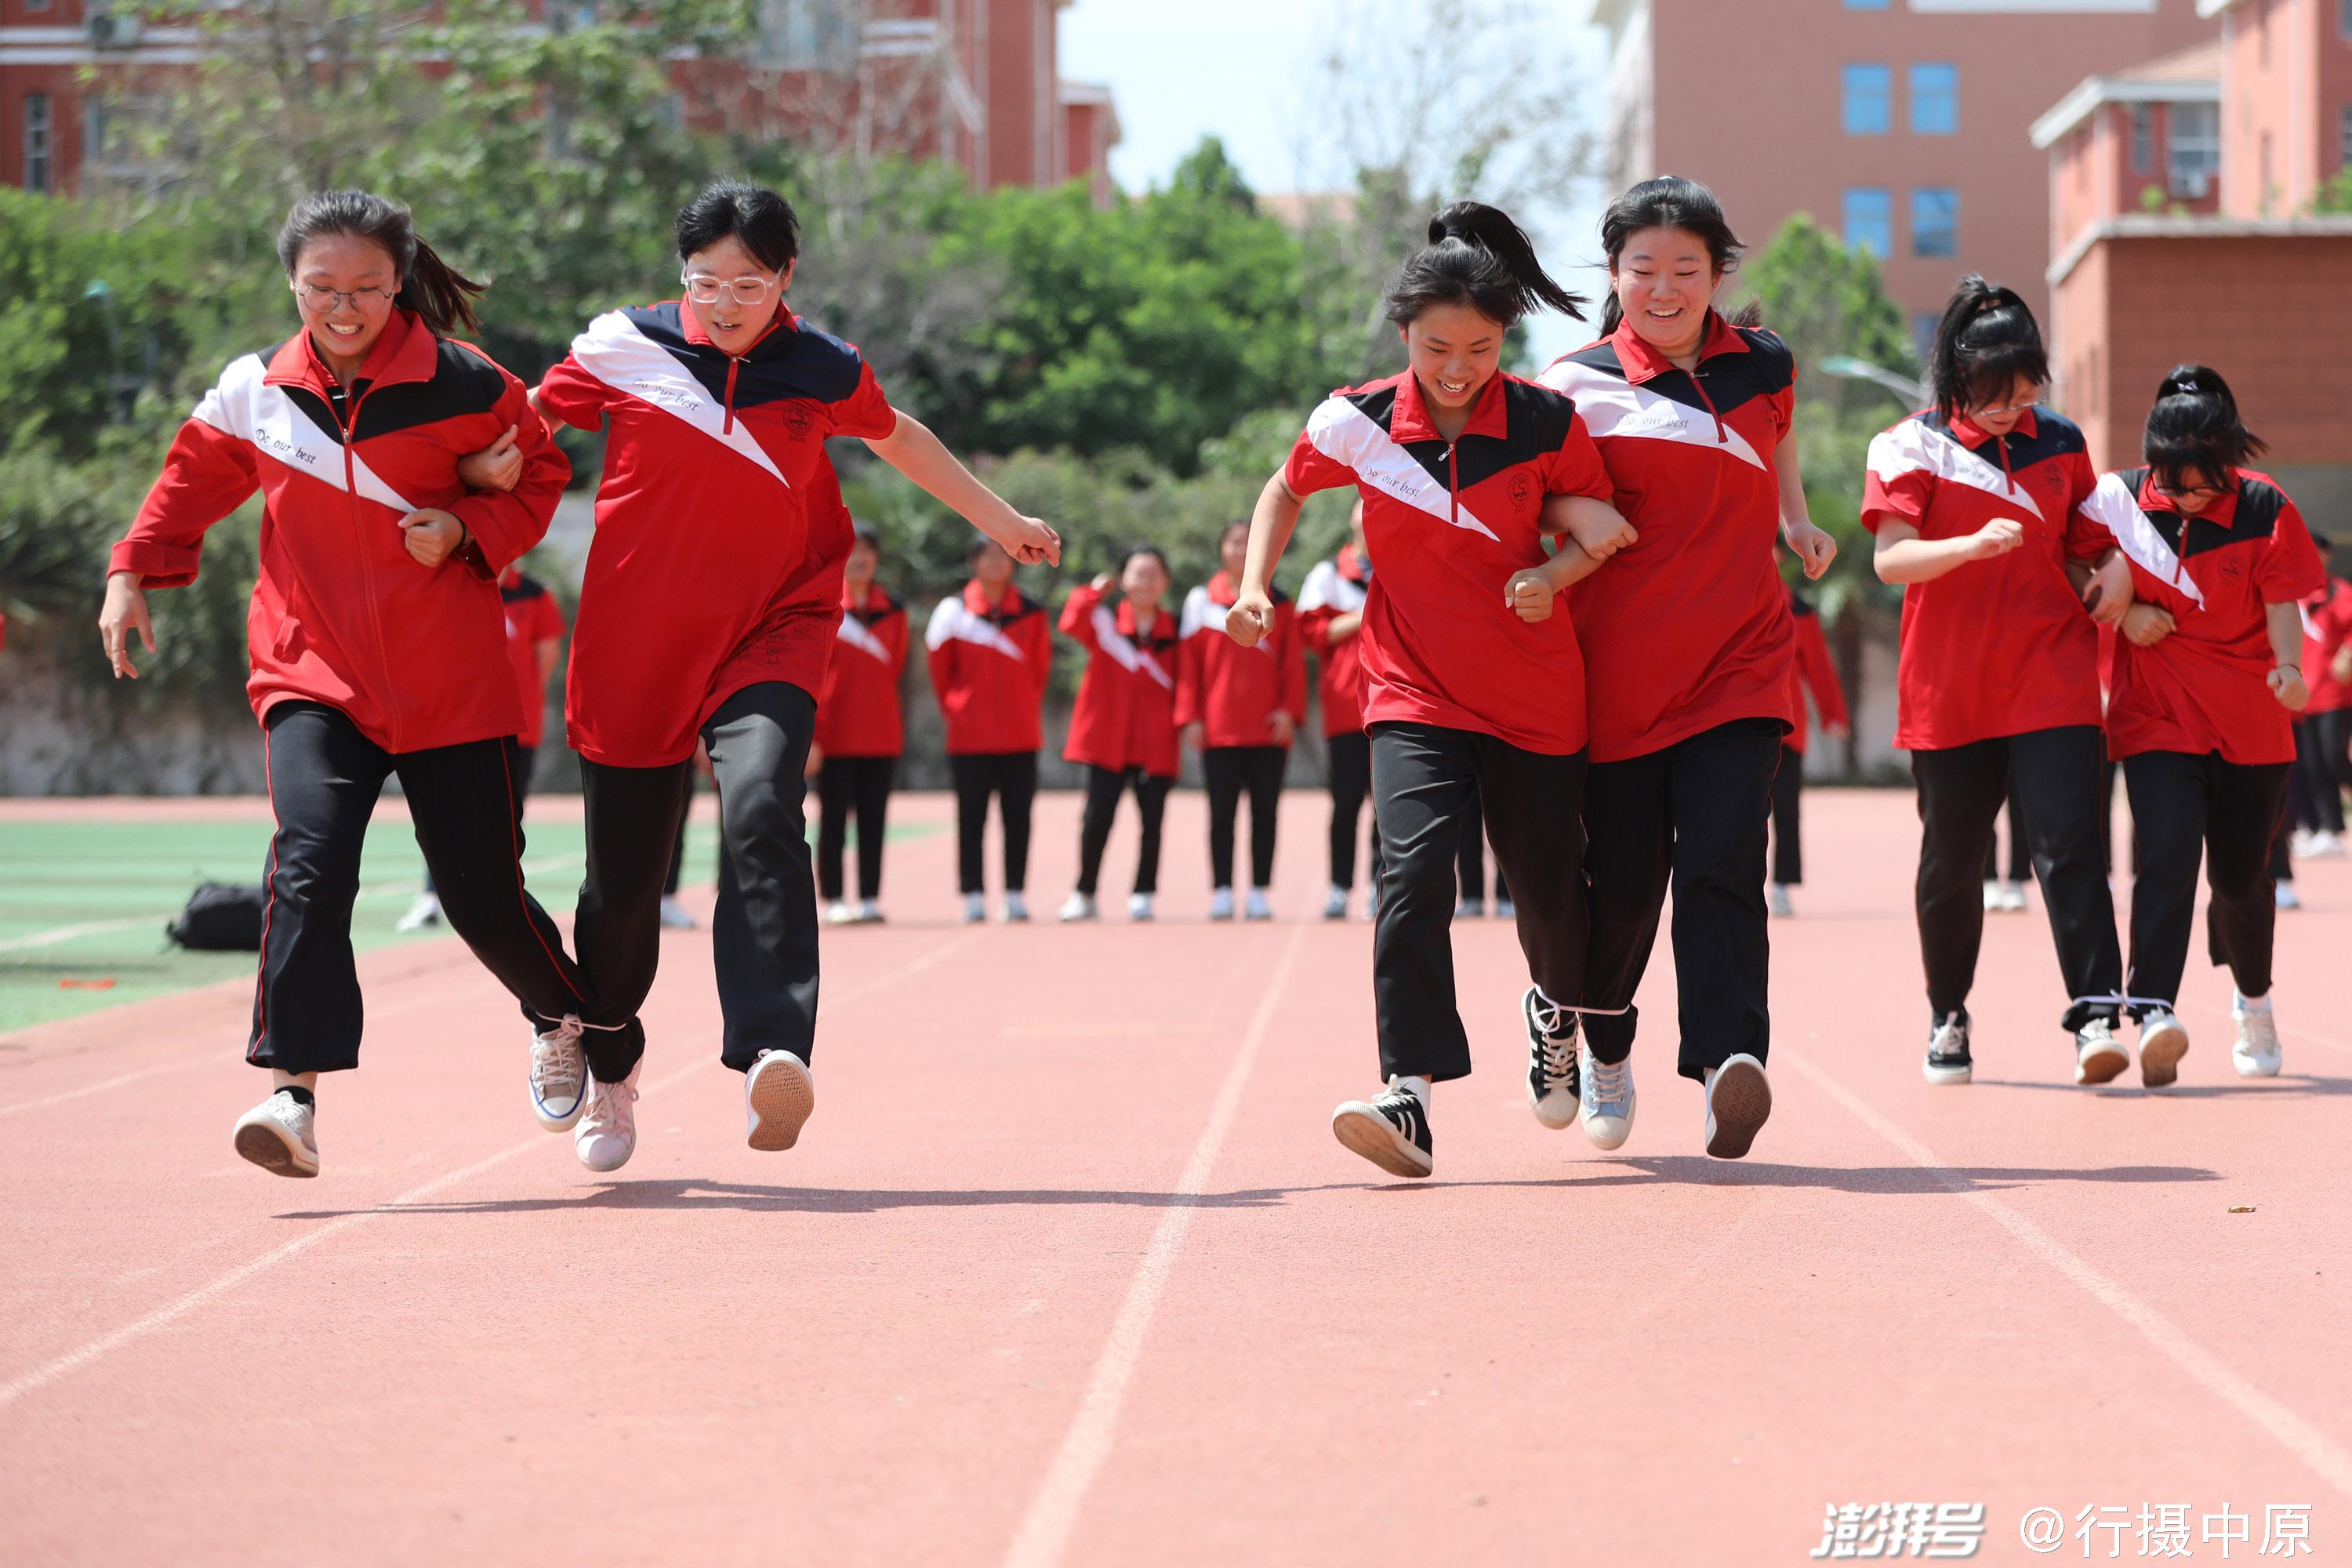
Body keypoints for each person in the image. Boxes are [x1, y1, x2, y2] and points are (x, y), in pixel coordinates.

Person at [528, 180, 1059, 1172]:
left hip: (776, 625)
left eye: (750, 283)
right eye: (706, 282)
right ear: (677, 275)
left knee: (764, 805)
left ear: (787, 278)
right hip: (636, 641)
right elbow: (516, 433)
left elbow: (898, 437)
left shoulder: (821, 365)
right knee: (624, 885)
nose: (726, 304)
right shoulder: (620, 348)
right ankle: (610, 1067)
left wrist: (1002, 522)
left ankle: (775, 1044)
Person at [98, 189, 588, 1178]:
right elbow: (184, 486)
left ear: (399, 281)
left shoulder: (470, 383)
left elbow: (541, 477)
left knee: (481, 894)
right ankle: (293, 1094)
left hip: (450, 680)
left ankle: (565, 1015)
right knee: (308, 867)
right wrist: (127, 574)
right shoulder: (255, 391)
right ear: (292, 282)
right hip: (311, 672)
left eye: (366, 286)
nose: (345, 307)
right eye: (322, 287)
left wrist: (467, 528)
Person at [1230, 201, 1629, 1179]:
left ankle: (1558, 1009)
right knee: (1409, 877)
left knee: (1550, 898)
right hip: (1410, 688)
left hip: (1536, 697)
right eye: (1439, 345)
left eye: (1482, 346)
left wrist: (1553, 578)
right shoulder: (1356, 420)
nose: (1458, 365)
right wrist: (1255, 587)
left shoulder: (1545, 419)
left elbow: (1602, 527)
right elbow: (1284, 488)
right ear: (1403, 331)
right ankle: (1408, 1091)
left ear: (1507, 339)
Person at [1533, 175, 1839, 1159]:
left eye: (1686, 270)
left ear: (1717, 274)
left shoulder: (1766, 364)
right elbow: (1539, 507)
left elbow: (1776, 440)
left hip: (1741, 658)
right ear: (1613, 272)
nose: (1664, 289)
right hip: (1617, 674)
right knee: (1624, 883)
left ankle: (1725, 1064)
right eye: (1643, 270)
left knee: (1723, 861)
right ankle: (1600, 1041)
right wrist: (1577, 524)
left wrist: (1796, 520)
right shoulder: (1570, 384)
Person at [1860, 277, 2133, 1087]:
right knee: (1953, 859)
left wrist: (2115, 572)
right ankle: (1949, 1011)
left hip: (2053, 675)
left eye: (2024, 393)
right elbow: (1890, 559)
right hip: (1951, 689)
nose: (2011, 409)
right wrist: (1968, 544)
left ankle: (2096, 1014)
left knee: (2072, 847)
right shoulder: (1906, 445)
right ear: (1954, 378)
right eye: (1992, 396)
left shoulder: (2061, 441)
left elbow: (2090, 540)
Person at [2077, 366, 2323, 1083]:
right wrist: (2122, 604)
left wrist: (2290, 668)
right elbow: (2069, 557)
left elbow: (2283, 603)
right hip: (2159, 717)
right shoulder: (2120, 499)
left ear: (2230, 464)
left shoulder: (2263, 507)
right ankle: (2153, 1008)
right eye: (2171, 482)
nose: (2182, 496)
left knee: (2243, 881)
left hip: (2252, 724)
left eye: (2199, 484)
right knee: (2167, 856)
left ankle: (2253, 1000)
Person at [397, 557, 564, 932]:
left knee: (505, 816)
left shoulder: (535, 596)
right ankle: (430, 896)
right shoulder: (455, 581)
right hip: (456, 722)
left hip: (518, 728)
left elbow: (546, 657)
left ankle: (499, 905)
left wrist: (513, 696)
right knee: (443, 810)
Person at [1179, 519, 1308, 920]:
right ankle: (1221, 890)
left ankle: (1258, 890)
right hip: (1218, 730)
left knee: (1265, 813)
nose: (1240, 549)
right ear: (1221, 549)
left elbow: (1293, 664)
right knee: (1221, 813)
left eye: (1247, 542)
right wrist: (1191, 717)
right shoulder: (1201, 600)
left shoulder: (1280, 603)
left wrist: (1289, 710)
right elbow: (1188, 667)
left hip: (1269, 729)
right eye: (1233, 542)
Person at [928, 537, 1054, 924]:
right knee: (972, 818)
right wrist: (958, 708)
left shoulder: (1031, 613)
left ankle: (1015, 894)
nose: (997, 563)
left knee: (1018, 818)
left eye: (1004, 555)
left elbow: (1039, 670)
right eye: (988, 556)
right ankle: (974, 895)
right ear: (973, 562)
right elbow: (939, 670)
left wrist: (1019, 707)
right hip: (969, 738)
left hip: (1020, 736)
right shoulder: (953, 611)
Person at [1057, 547, 1182, 922]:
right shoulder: (1105, 620)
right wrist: (1093, 592)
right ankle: (1085, 892)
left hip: (1155, 742)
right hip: (1107, 740)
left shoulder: (1176, 629)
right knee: (1096, 819)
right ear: (1123, 579)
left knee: (1153, 822)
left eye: (1152, 575)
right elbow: (1069, 622)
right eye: (1137, 574)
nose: (1144, 582)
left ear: (1164, 582)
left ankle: (1143, 893)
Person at [811, 524, 906, 925]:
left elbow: (896, 667)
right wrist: (813, 737)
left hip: (880, 734)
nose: (861, 559)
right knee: (832, 820)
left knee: (874, 820)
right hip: (834, 737)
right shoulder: (825, 604)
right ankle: (833, 896)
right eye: (854, 551)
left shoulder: (894, 610)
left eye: (868, 551)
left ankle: (869, 896)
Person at [1298, 503, 1380, 920]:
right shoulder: (1327, 574)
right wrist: (1365, 613)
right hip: (1347, 707)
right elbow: (1312, 632)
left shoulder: (1400, 563)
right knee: (1346, 802)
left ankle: (1379, 888)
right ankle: (1338, 887)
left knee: (1388, 808)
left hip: (1393, 706)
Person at [1767, 578, 1849, 917]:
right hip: (1734, 726)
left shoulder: (1798, 607)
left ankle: (1783, 886)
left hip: (1787, 727)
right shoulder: (1722, 592)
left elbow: (1818, 663)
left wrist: (1833, 713)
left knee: (1786, 810)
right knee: (1739, 812)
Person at [2288, 538, 2350, 862]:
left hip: (2334, 694)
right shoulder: (2287, 594)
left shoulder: (2338, 592)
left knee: (2332, 758)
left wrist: (2348, 652)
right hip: (2301, 697)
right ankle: (2329, 827)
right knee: (2312, 765)